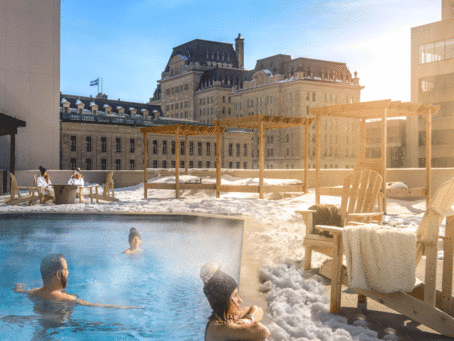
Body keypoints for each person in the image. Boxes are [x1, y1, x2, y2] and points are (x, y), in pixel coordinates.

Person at [14, 253, 141, 309]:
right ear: (58, 275)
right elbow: (94, 305)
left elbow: (21, 291)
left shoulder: (33, 292)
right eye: (66, 269)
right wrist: (127, 307)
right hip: (58, 325)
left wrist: (18, 287)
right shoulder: (65, 298)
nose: (68, 272)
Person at [200, 261, 270, 341]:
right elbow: (263, 332)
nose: (240, 300)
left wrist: (247, 319)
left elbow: (257, 309)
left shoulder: (225, 317)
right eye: (235, 295)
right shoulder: (220, 328)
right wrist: (246, 325)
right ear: (224, 300)